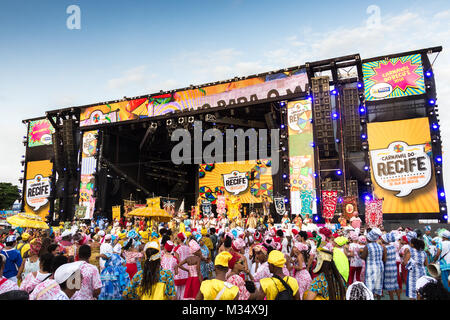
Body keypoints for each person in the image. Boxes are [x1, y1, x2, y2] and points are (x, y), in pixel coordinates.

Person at [359, 228, 386, 299]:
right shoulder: (380, 246)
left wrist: (360, 254)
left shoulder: (367, 246)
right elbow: (383, 258)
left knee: (369, 287)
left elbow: (363, 256)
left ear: (369, 239)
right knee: (378, 286)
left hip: (371, 268)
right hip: (380, 267)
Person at [381, 232, 401, 300]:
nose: (381, 239)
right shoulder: (393, 246)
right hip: (394, 265)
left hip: (388, 266)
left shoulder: (385, 248)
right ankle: (399, 298)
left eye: (383, 239)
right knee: (395, 283)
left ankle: (391, 298)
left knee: (389, 285)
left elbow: (385, 258)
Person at [173, 232, 190, 299]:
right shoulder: (187, 247)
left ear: (180, 239)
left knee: (177, 290)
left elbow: (177, 262)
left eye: (177, 238)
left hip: (179, 271)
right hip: (186, 271)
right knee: (184, 290)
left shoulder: (177, 248)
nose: (176, 240)